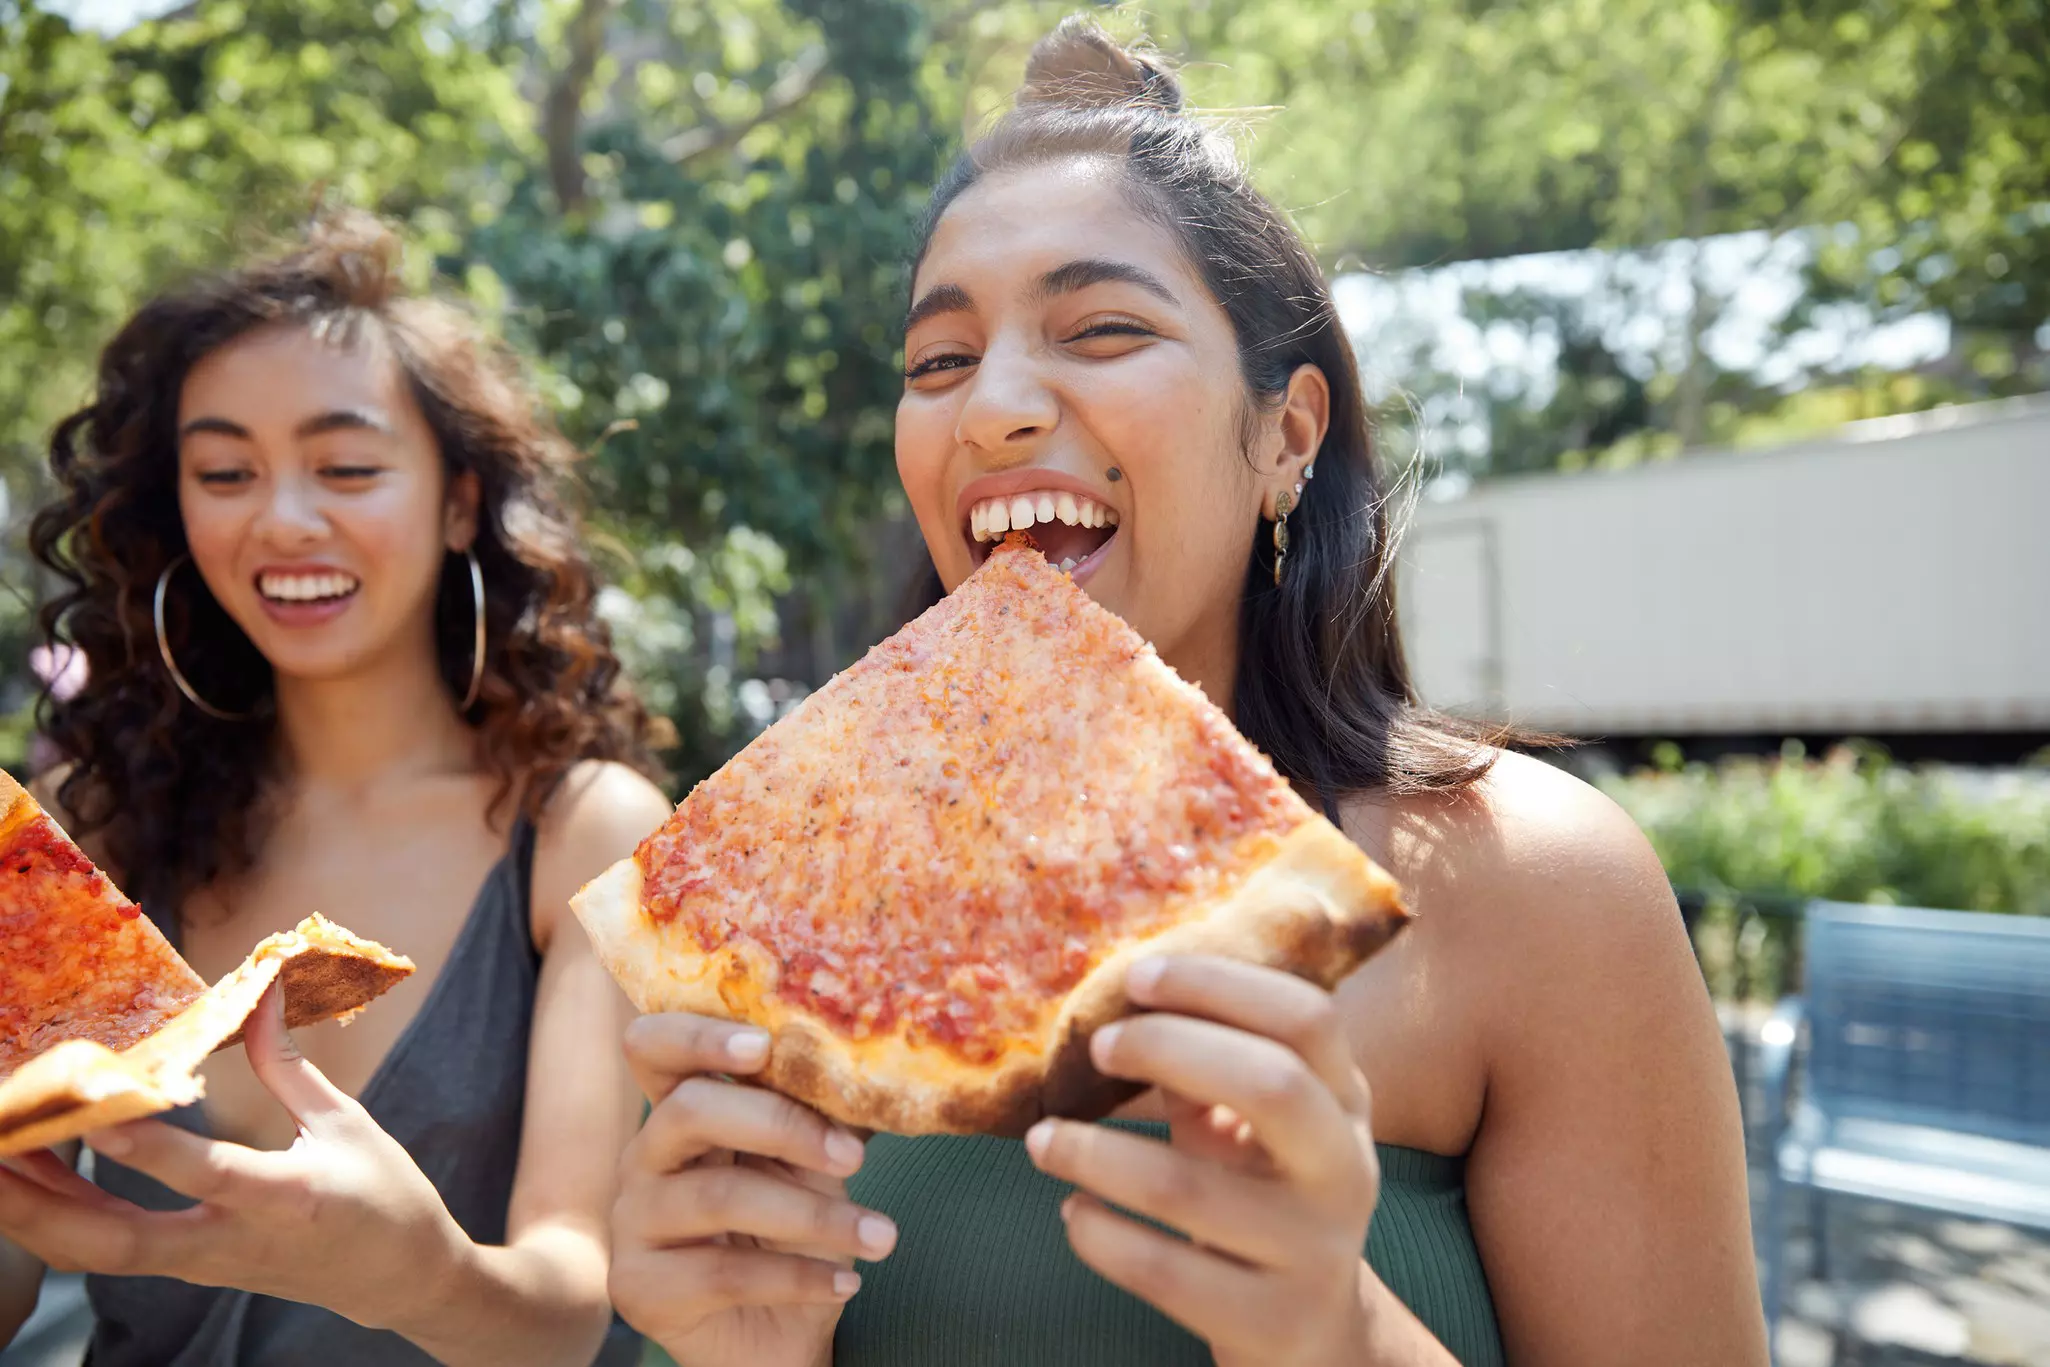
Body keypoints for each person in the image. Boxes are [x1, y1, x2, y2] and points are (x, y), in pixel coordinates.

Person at [604, 17, 1769, 1367]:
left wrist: (1339, 1332)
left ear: (1284, 436)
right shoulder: (786, 898)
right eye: (937, 360)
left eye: (1099, 326)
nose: (991, 407)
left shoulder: (1537, 887)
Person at [0, 212, 675, 1366]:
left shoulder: (584, 829)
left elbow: (569, 1309)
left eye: (347, 466)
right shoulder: (89, 825)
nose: (284, 519)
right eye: (225, 472)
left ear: (460, 500)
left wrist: (418, 1276)